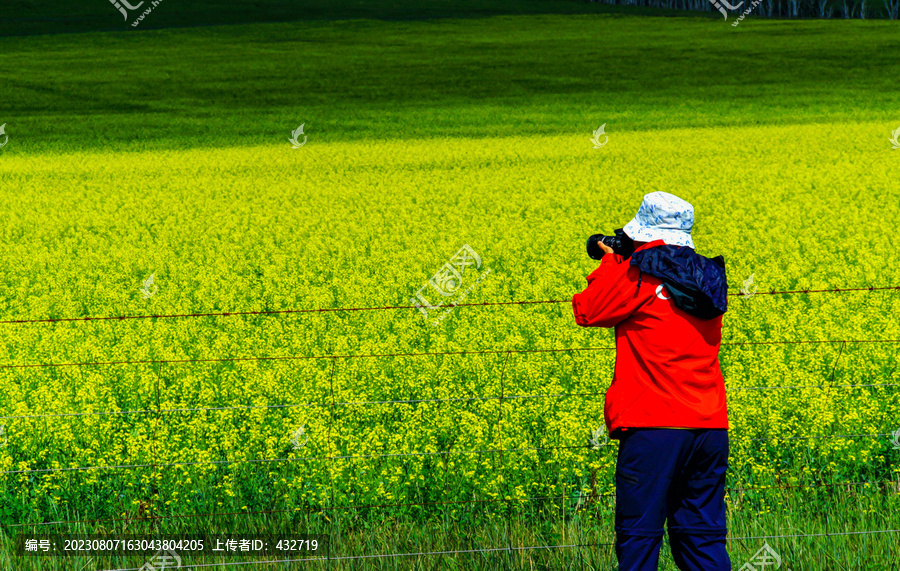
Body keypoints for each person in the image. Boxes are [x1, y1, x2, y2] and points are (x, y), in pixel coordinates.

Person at [571, 191, 731, 571]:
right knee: (701, 538)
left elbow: (588, 310)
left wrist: (613, 263)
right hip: (710, 426)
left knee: (639, 539)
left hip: (653, 425)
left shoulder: (641, 274)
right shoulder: (708, 276)